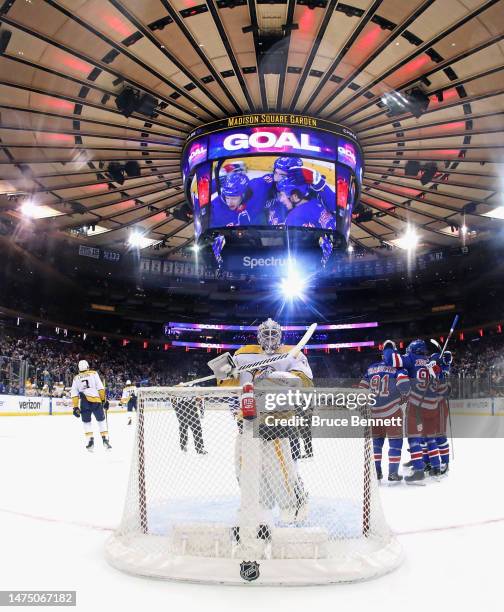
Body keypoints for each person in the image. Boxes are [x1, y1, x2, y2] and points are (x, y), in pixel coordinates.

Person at [216, 318, 313, 527]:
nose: (270, 338)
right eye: (265, 334)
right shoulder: (243, 353)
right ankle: (258, 507)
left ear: (280, 336)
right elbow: (224, 380)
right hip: (246, 419)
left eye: (273, 334)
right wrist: (225, 372)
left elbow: (305, 381)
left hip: (277, 420)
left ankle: (294, 507)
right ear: (258, 336)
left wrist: (281, 377)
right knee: (243, 467)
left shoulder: (293, 352)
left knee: (280, 467)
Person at [359, 340, 410, 482]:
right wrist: (404, 397)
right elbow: (404, 387)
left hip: (374, 412)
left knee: (376, 443)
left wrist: (365, 406)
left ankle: (377, 472)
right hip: (392, 410)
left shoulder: (371, 368)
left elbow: (362, 389)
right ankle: (393, 473)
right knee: (395, 443)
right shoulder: (399, 369)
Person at [71, 360, 111, 452]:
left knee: (86, 422)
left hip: (84, 402)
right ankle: (105, 439)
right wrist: (104, 400)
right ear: (87, 366)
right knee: (101, 420)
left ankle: (90, 441)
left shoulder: (76, 378)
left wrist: (75, 407)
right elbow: (100, 388)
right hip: (96, 400)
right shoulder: (93, 373)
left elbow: (74, 393)